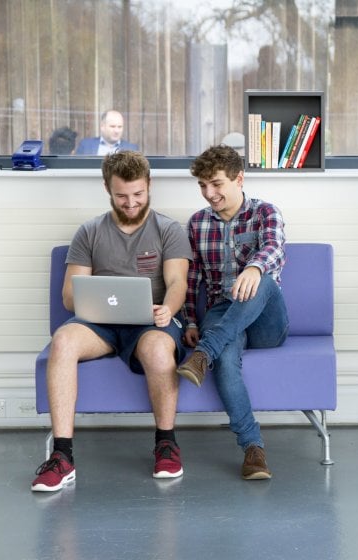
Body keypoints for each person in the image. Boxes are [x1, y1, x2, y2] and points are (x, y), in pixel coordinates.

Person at [31, 150, 192, 492]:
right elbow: (69, 297)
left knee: (159, 350)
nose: (131, 203)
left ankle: (166, 443)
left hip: (151, 322)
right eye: (121, 196)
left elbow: (178, 282)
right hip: (99, 325)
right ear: (107, 188)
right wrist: (94, 302)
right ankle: (62, 456)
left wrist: (167, 308)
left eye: (138, 194)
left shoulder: (168, 230)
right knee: (63, 340)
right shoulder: (89, 232)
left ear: (149, 185)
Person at [176, 144, 288, 480]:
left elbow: (273, 248)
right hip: (222, 312)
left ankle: (203, 353)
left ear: (239, 179)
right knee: (226, 359)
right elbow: (192, 276)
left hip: (267, 315)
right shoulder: (197, 224)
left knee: (263, 279)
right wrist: (191, 320)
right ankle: (253, 449)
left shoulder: (265, 212)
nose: (209, 193)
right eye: (202, 186)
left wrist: (253, 269)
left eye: (217, 184)